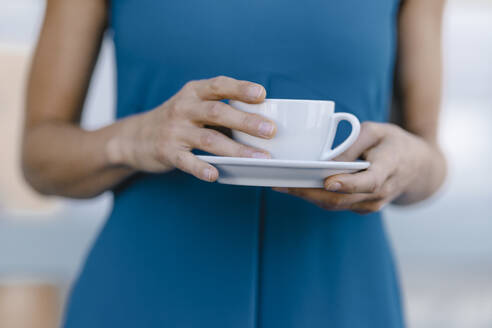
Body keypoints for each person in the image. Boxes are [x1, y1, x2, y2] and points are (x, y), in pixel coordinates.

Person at [22, 0, 447, 327]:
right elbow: (39, 158)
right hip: (147, 292)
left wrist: (409, 162)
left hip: (342, 297)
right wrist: (133, 139)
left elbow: (429, 155)